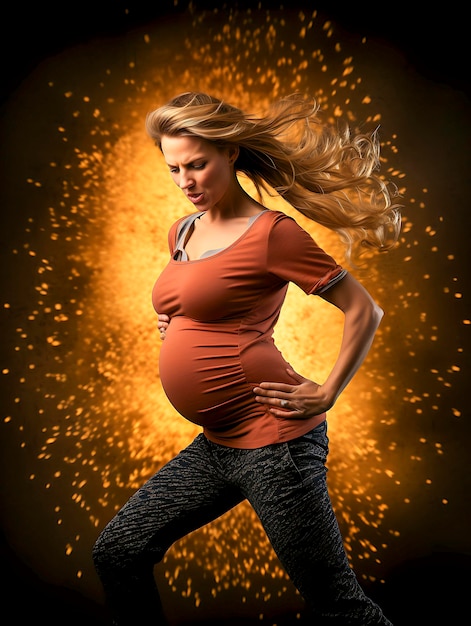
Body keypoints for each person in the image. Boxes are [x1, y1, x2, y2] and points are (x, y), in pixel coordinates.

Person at [92, 92, 401, 625]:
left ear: (230, 153)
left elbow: (363, 310)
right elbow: (204, 301)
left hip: (274, 443)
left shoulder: (272, 234)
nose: (185, 180)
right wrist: (176, 324)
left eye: (197, 164)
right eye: (173, 168)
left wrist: (327, 391)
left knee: (339, 607)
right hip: (216, 446)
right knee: (118, 552)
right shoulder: (182, 231)